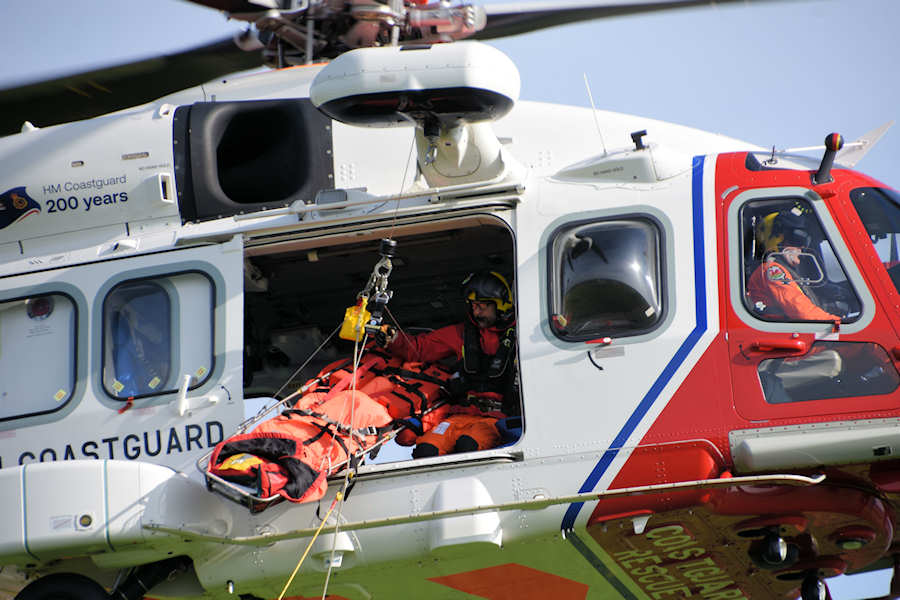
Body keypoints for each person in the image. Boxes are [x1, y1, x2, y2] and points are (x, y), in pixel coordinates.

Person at [381, 271, 519, 457]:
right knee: (426, 450)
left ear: (502, 305)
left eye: (482, 306)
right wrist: (393, 338)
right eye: (473, 306)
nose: (476, 312)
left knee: (468, 446)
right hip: (457, 416)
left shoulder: (521, 334)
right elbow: (420, 349)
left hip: (494, 420)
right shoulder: (462, 334)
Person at [747, 208, 840, 322]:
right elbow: (799, 310)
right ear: (776, 239)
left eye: (805, 242)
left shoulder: (782, 270)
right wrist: (837, 323)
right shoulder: (772, 270)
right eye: (797, 240)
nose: (801, 248)